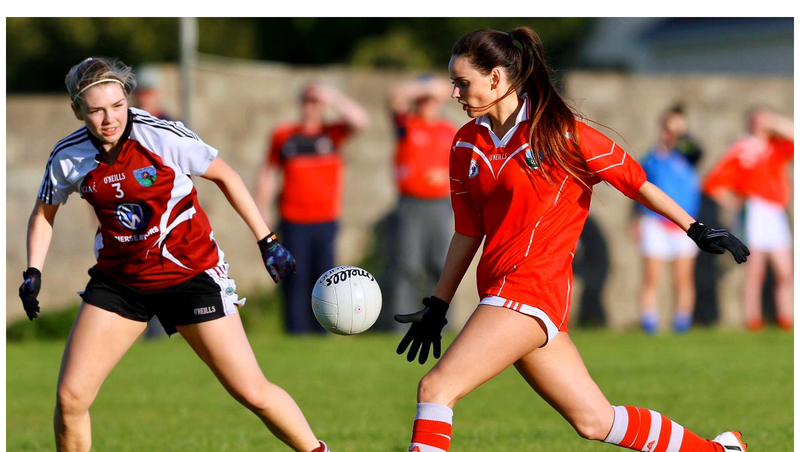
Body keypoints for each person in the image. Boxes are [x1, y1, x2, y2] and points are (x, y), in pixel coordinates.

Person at [394, 28, 750, 452]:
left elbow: (635, 182)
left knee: (436, 388)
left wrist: (695, 229)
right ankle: (719, 450)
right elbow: (468, 231)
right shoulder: (465, 143)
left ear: (495, 78)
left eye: (462, 82)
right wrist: (439, 303)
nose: (454, 92)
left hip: (531, 290)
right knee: (596, 421)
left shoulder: (560, 133)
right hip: (501, 292)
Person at [19, 57, 330, 452]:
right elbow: (43, 214)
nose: (110, 118)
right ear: (77, 111)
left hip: (190, 275)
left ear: (127, 99)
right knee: (70, 399)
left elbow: (226, 176)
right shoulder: (67, 156)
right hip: (121, 282)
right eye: (96, 110)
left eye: (117, 105)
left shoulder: (160, 135)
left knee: (251, 391)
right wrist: (33, 270)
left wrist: (267, 240)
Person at [255, 83, 369, 334]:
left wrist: (333, 96)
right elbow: (268, 172)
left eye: (316, 101)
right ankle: (296, 332)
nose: (311, 106)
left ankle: (323, 330)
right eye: (308, 100)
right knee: (296, 278)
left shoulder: (333, 133)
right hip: (293, 218)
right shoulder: (284, 135)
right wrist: (262, 209)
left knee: (325, 278)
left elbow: (361, 120)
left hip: (325, 218)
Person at [703, 107, 794, 331]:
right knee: (755, 270)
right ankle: (752, 319)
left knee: (785, 270)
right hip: (755, 211)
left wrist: (775, 122)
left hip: (776, 211)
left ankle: (786, 316)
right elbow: (712, 182)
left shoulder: (776, 145)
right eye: (757, 119)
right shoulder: (740, 149)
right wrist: (734, 203)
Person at [384, 76, 457, 330]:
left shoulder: (448, 129)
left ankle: (439, 323)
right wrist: (427, 87)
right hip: (411, 204)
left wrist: (444, 175)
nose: (429, 104)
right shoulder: (407, 124)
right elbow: (394, 96)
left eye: (432, 99)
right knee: (407, 266)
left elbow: (463, 168)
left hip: (440, 205)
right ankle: (401, 326)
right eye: (424, 99)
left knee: (441, 266)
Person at [631, 106, 701, 334]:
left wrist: (681, 136)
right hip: (655, 222)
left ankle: (682, 323)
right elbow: (639, 188)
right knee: (651, 276)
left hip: (685, 225)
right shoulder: (651, 158)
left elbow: (699, 151)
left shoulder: (687, 153)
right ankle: (649, 322)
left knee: (682, 278)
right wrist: (635, 219)